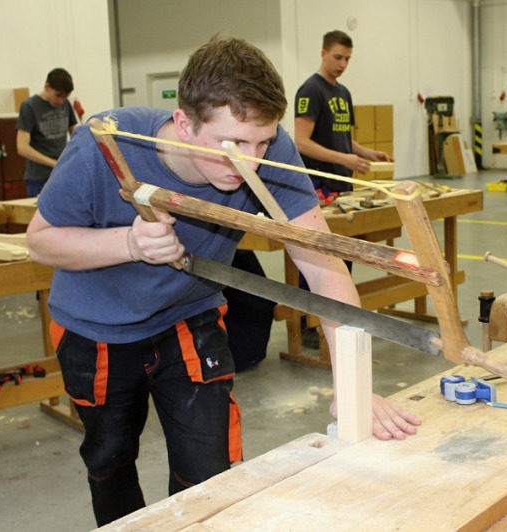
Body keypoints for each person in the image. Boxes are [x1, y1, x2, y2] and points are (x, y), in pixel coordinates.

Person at [25, 35, 420, 527]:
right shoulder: (104, 143)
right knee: (110, 464)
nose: (249, 162)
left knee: (210, 475)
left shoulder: (267, 148)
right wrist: (127, 244)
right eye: (231, 145)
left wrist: (352, 383)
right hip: (96, 329)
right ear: (184, 123)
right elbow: (40, 242)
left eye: (261, 143)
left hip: (189, 316)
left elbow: (323, 264)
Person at [294, 30, 393, 347]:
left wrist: (367, 153)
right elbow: (302, 142)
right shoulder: (311, 90)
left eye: (348, 59)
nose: (342, 64)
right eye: (337, 57)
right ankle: (308, 325)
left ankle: (338, 317)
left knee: (341, 255)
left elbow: (344, 138)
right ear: (323, 53)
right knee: (315, 255)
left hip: (342, 183)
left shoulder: (343, 92)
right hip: (319, 185)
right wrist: (344, 158)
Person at [16, 68, 78, 197]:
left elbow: (76, 134)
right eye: (58, 95)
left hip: (62, 173)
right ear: (47, 87)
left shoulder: (65, 104)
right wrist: (53, 163)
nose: (60, 101)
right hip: (39, 178)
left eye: (65, 97)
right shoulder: (29, 106)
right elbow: (22, 147)